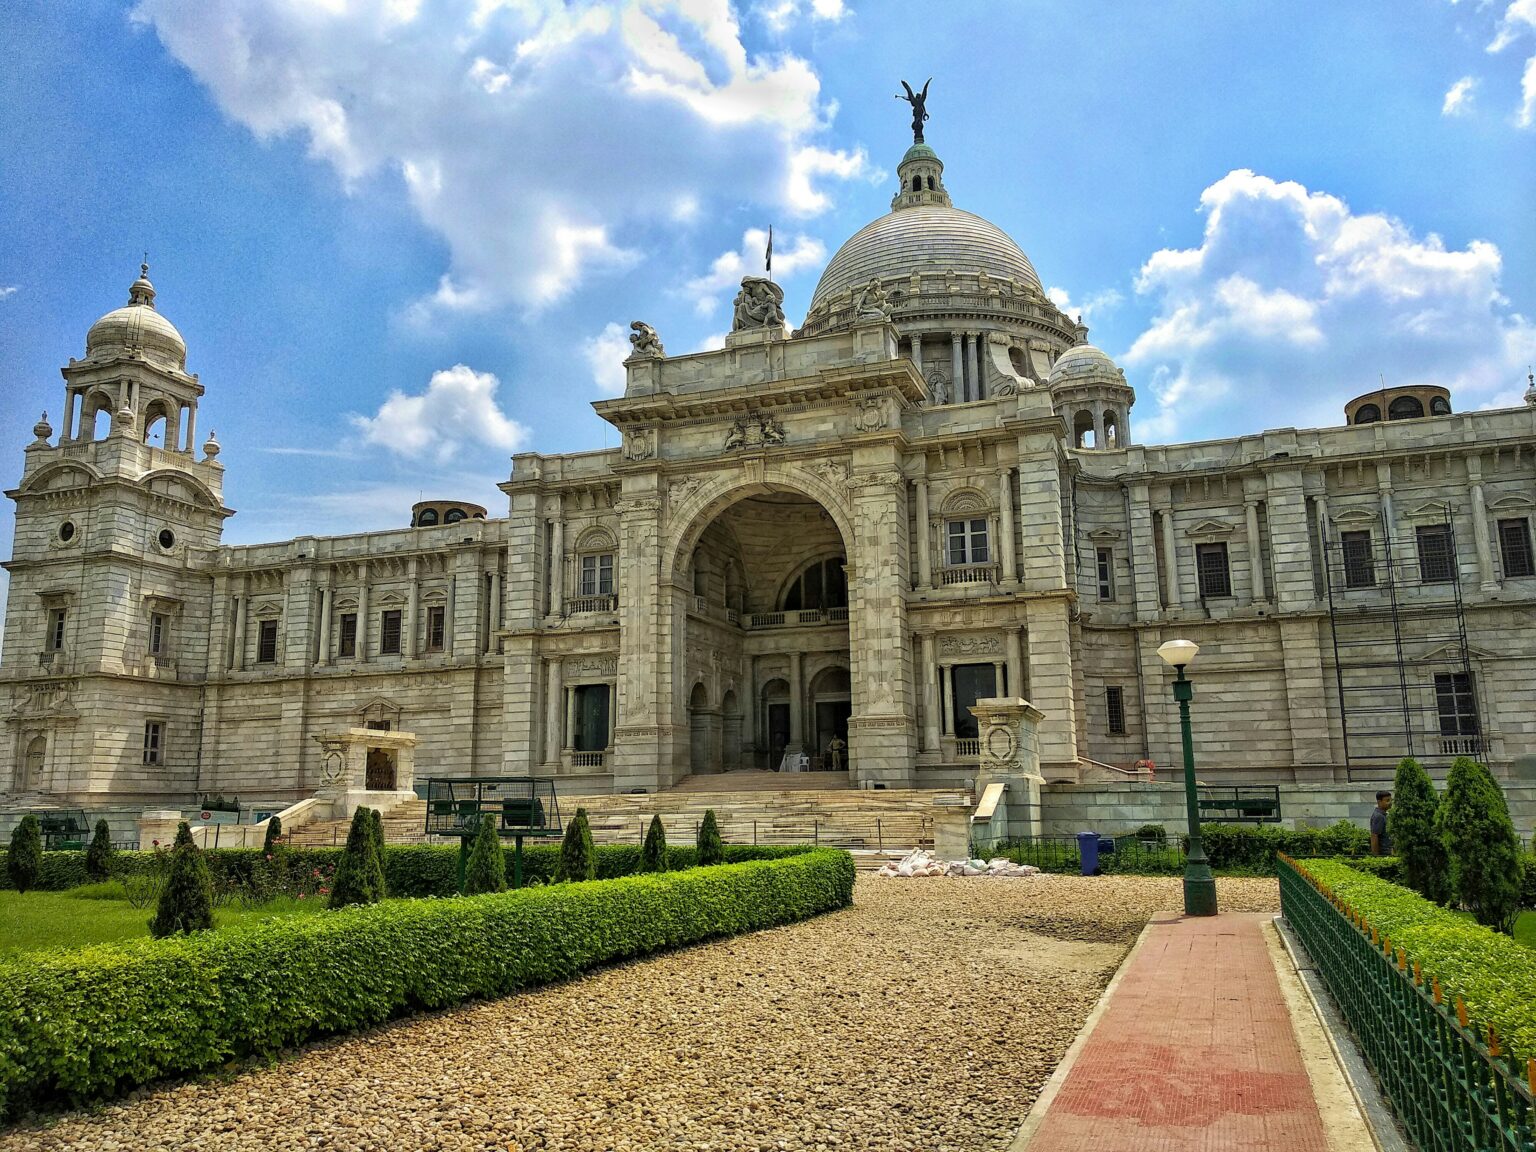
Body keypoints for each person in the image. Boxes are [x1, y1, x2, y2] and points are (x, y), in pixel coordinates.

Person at [1369, 790, 1393, 855]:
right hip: (1384, 854)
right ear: (1379, 802)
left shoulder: (1383, 815)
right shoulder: (1378, 816)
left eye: (1391, 800)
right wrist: (1376, 857)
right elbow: (1374, 836)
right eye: (1387, 800)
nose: (1390, 803)